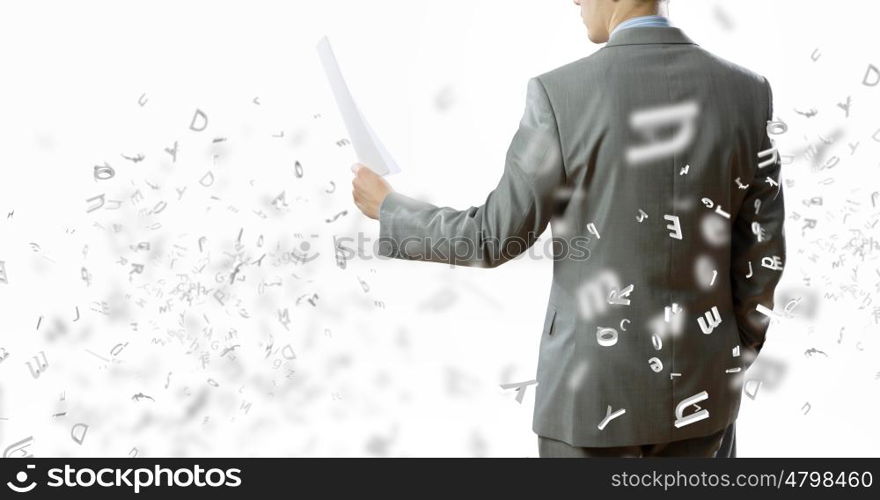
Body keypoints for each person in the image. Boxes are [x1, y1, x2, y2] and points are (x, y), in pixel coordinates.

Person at [350, 0, 784, 458]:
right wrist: (723, 355)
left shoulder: (560, 96)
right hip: (705, 400)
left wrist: (389, 209)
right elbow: (762, 254)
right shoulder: (748, 93)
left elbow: (492, 236)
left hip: (589, 403)